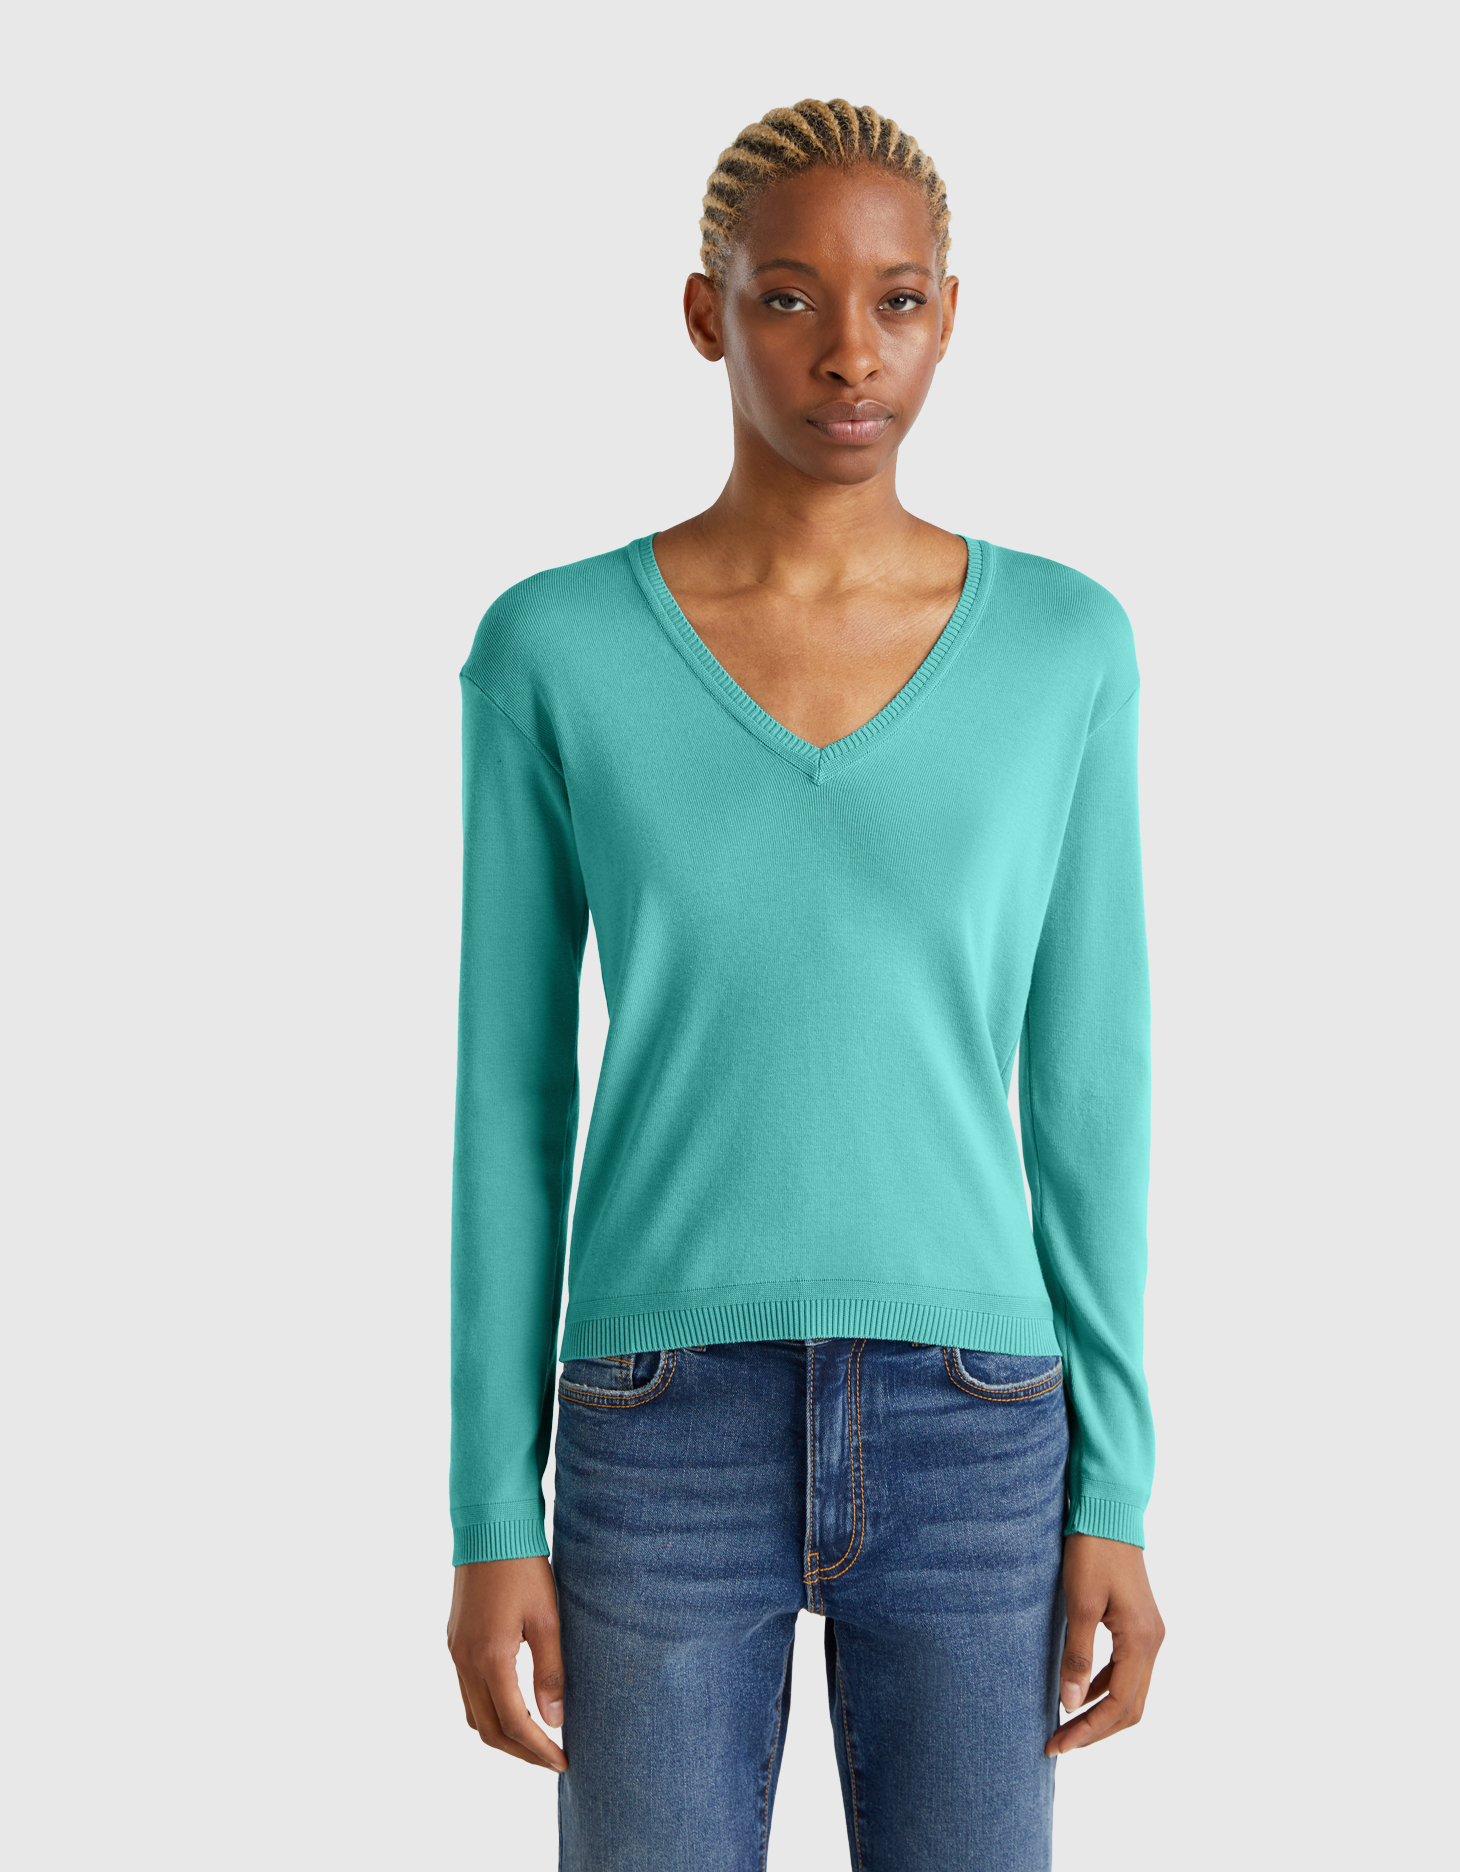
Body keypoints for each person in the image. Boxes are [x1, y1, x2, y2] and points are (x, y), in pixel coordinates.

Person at [443, 98, 1164, 1871]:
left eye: (898, 301)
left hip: (979, 1419)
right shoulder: (554, 648)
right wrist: (488, 1510)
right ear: (706, 314)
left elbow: (1091, 1086)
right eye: (789, 298)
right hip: (655, 1419)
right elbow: (507, 1099)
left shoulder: (1065, 645)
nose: (851, 352)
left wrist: (1118, 1487)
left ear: (950, 314)